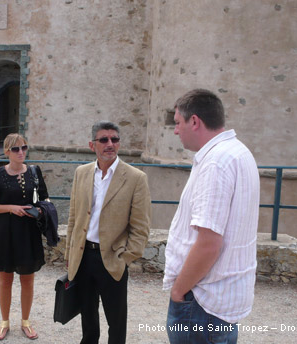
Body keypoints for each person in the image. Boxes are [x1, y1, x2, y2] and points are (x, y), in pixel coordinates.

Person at [163, 89, 260, 343]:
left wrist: (178, 290)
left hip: (202, 301)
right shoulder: (239, 152)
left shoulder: (216, 163)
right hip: (220, 300)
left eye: (178, 123)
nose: (175, 130)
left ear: (194, 121)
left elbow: (209, 243)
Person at [65, 121, 151, 344]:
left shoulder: (135, 178)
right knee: (88, 318)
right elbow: (74, 218)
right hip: (83, 256)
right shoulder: (81, 173)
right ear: (92, 144)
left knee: (116, 320)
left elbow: (141, 227)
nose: (110, 144)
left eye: (115, 139)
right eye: (104, 140)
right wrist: (70, 254)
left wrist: (125, 258)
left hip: (113, 258)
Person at [0, 133, 49, 341]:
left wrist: (40, 210)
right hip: (6, 232)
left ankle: (26, 322)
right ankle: (4, 322)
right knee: (5, 280)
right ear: (6, 152)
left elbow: (45, 198)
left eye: (24, 148)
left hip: (29, 232)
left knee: (28, 280)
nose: (21, 152)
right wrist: (11, 208)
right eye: (15, 149)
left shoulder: (35, 172)